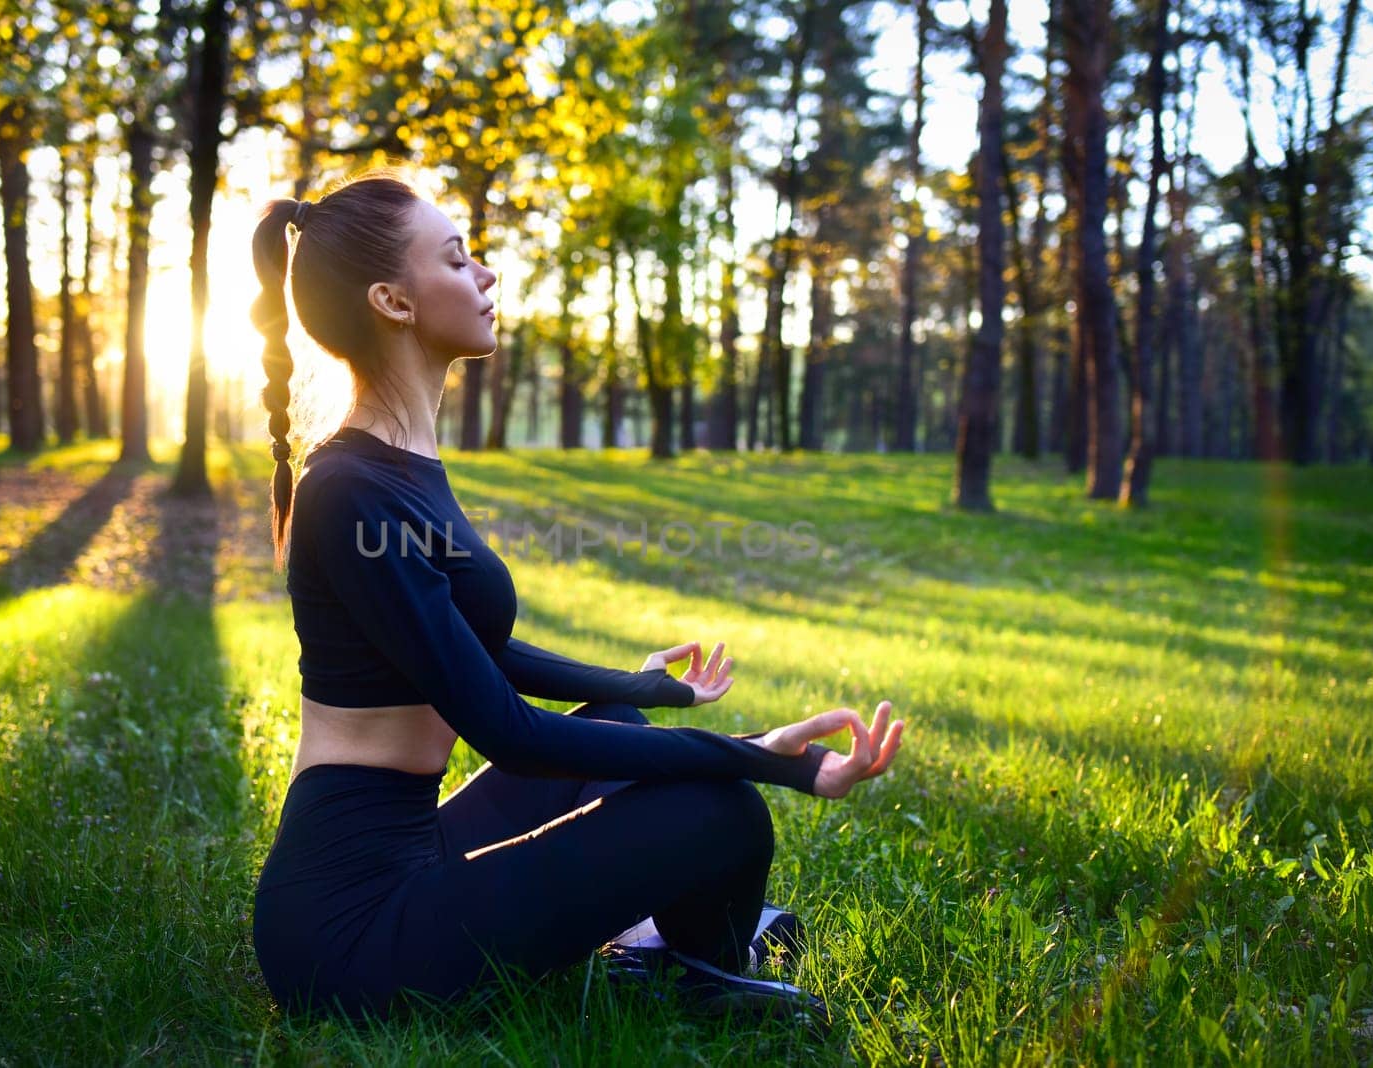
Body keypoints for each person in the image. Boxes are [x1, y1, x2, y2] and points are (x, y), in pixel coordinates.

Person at [246, 170, 906, 1028]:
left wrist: (646, 690)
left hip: (413, 848)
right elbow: (508, 734)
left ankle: (684, 957)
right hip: (349, 934)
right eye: (456, 259)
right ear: (392, 301)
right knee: (719, 807)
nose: (486, 276)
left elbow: (472, 653)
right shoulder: (348, 488)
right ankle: (687, 968)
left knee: (617, 733)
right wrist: (764, 758)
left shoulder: (396, 466)